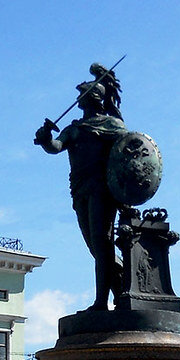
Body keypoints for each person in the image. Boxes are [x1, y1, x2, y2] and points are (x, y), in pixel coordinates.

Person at [35, 64, 126, 311]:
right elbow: (55, 146)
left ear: (94, 100)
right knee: (94, 246)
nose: (78, 101)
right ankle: (122, 288)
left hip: (102, 190)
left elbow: (127, 155)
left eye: (82, 97)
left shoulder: (113, 127)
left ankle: (101, 302)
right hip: (79, 190)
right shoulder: (75, 128)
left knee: (101, 242)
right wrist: (45, 139)